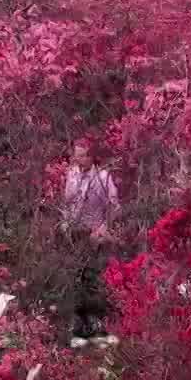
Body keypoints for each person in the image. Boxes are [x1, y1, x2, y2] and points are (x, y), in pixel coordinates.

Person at [62, 139, 121, 348]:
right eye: (76, 154)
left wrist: (103, 228)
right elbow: (68, 202)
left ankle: (97, 326)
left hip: (94, 234)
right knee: (74, 278)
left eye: (83, 154)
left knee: (92, 278)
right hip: (74, 233)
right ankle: (79, 326)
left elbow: (114, 205)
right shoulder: (72, 174)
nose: (78, 158)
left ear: (91, 156)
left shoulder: (104, 177)